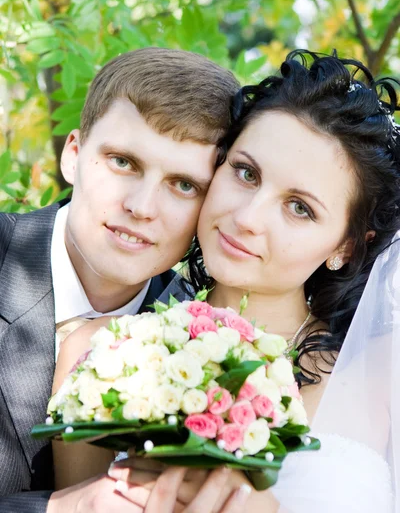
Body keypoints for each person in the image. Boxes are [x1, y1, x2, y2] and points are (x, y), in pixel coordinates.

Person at [53, 50, 400, 511]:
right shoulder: (102, 355)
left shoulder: (382, 371)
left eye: (300, 208)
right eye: (246, 173)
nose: (247, 218)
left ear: (347, 247)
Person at [0, 47, 240, 512]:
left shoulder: (205, 338)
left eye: (183, 184)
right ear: (73, 156)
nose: (142, 206)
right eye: (123, 162)